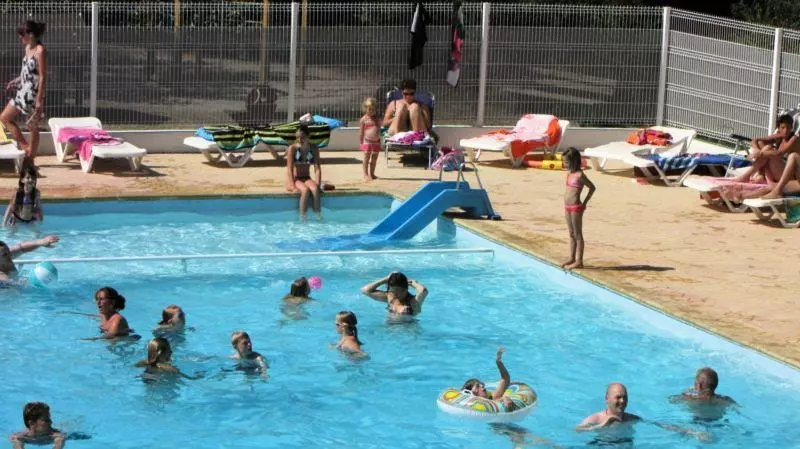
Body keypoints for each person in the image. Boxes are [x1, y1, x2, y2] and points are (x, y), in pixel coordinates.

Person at [1, 21, 47, 161]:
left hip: (33, 94)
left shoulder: (40, 51)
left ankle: (31, 158)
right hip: (22, 92)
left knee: (32, 126)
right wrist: (16, 80)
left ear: (30, 35)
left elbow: (42, 77)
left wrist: (39, 100)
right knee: (4, 117)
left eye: (22, 34)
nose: (20, 37)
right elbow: (26, 72)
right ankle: (26, 147)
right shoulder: (27, 48)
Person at [561, 147, 595, 270]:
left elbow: (592, 187)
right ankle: (572, 258)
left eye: (566, 162)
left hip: (576, 207)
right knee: (571, 233)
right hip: (567, 207)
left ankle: (579, 261)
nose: (564, 164)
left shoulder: (580, 175)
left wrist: (584, 203)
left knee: (577, 234)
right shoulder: (569, 174)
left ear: (574, 161)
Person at [670, 367, 737, 422]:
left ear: (699, 385)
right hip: (719, 424)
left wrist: (687, 391)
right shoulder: (726, 400)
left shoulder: (689, 399)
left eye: (695, 382)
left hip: (698, 426)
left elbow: (671, 400)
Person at [285, 125, 322, 219]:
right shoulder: (292, 148)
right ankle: (303, 217)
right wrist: (293, 186)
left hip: (307, 178)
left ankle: (318, 216)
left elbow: (317, 169)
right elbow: (289, 169)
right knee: (305, 190)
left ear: (308, 136)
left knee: (315, 189)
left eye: (302, 137)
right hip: (295, 179)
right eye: (297, 137)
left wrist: (318, 184)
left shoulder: (314, 148)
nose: (299, 140)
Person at [577, 383, 641, 431]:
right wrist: (601, 426)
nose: (622, 401)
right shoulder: (596, 419)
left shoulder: (632, 419)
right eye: (618, 397)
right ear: (607, 399)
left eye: (625, 397)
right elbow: (577, 430)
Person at [360, 271, 428, 316]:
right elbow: (365, 290)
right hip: (389, 330)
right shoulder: (390, 297)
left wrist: (414, 283)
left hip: (407, 331)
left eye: (399, 291)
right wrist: (386, 279)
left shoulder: (413, 302)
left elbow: (423, 291)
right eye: (393, 291)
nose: (395, 294)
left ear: (406, 289)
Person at [136, 337, 201, 379]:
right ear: (161, 353)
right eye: (169, 350)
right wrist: (196, 377)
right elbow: (188, 378)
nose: (171, 352)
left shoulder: (143, 362)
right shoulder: (169, 368)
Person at [3, 162, 43, 227]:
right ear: (22, 180)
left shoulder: (36, 193)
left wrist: (41, 221)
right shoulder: (18, 192)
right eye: (28, 178)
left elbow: (38, 207)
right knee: (11, 232)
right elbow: (10, 208)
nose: (30, 180)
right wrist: (4, 224)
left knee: (37, 233)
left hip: (30, 219)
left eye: (33, 178)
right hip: (17, 219)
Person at [359, 97, 382, 182]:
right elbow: (361, 133)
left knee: (374, 158)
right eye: (370, 109)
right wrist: (361, 143)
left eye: (373, 109)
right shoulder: (363, 119)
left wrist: (379, 139)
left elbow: (379, 130)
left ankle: (372, 174)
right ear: (366, 109)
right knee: (366, 158)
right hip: (367, 142)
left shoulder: (377, 119)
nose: (372, 111)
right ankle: (366, 174)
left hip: (376, 142)